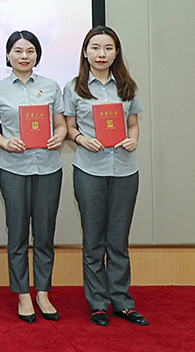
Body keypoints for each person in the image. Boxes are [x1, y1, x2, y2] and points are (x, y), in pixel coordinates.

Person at [63, 25, 148, 327]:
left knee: (119, 240)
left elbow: (133, 125)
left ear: (116, 52)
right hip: (90, 170)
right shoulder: (74, 87)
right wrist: (81, 139)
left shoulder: (127, 86)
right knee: (93, 240)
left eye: (108, 48)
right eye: (96, 47)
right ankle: (98, 303)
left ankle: (122, 302)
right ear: (85, 52)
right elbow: (69, 127)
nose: (102, 53)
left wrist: (133, 139)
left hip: (125, 170)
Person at [0, 30, 67, 323]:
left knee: (44, 234)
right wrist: (6, 142)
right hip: (14, 170)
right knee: (18, 234)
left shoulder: (51, 86)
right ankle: (22, 294)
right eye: (18, 51)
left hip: (48, 168)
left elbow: (61, 124)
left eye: (30, 51)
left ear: (37, 55)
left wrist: (59, 136)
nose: (24, 56)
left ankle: (42, 292)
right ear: (8, 55)